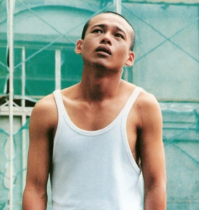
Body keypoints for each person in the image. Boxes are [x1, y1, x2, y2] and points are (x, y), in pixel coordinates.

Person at [22, 11, 166, 210]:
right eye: (98, 31)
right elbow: (35, 189)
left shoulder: (143, 106)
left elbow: (155, 186)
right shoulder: (48, 109)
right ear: (80, 46)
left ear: (130, 58)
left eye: (118, 35)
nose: (106, 38)